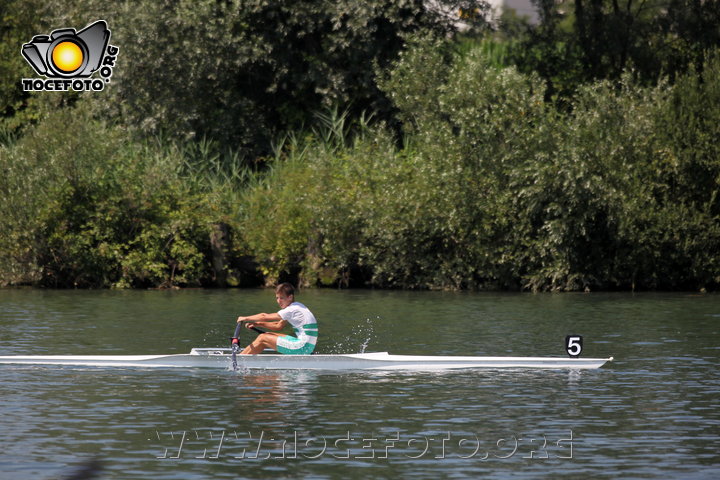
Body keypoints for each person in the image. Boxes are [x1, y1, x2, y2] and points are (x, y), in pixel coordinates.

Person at [237, 283, 318, 355]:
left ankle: (238, 360)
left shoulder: (291, 310)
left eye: (281, 298)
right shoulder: (297, 306)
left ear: (290, 297)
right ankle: (242, 356)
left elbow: (264, 316)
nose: (278, 301)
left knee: (262, 338)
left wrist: (245, 318)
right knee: (268, 335)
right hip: (307, 347)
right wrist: (258, 324)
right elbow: (278, 326)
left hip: (302, 348)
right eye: (277, 298)